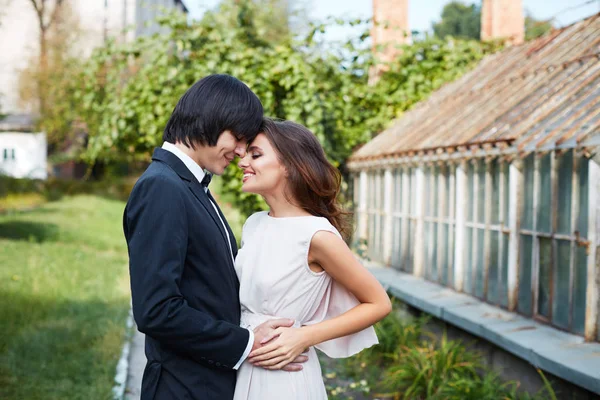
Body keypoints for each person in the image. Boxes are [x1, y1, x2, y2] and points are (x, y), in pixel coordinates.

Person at [123, 75, 307, 400]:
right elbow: (156, 309)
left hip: (207, 383)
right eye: (237, 138)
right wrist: (247, 343)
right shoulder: (162, 187)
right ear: (210, 119)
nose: (239, 152)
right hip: (183, 388)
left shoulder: (190, 186)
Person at [233, 118, 392, 399]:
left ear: (290, 165)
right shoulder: (254, 224)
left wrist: (305, 336)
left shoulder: (316, 235)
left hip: (284, 376)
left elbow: (378, 303)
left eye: (255, 154)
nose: (242, 162)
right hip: (242, 364)